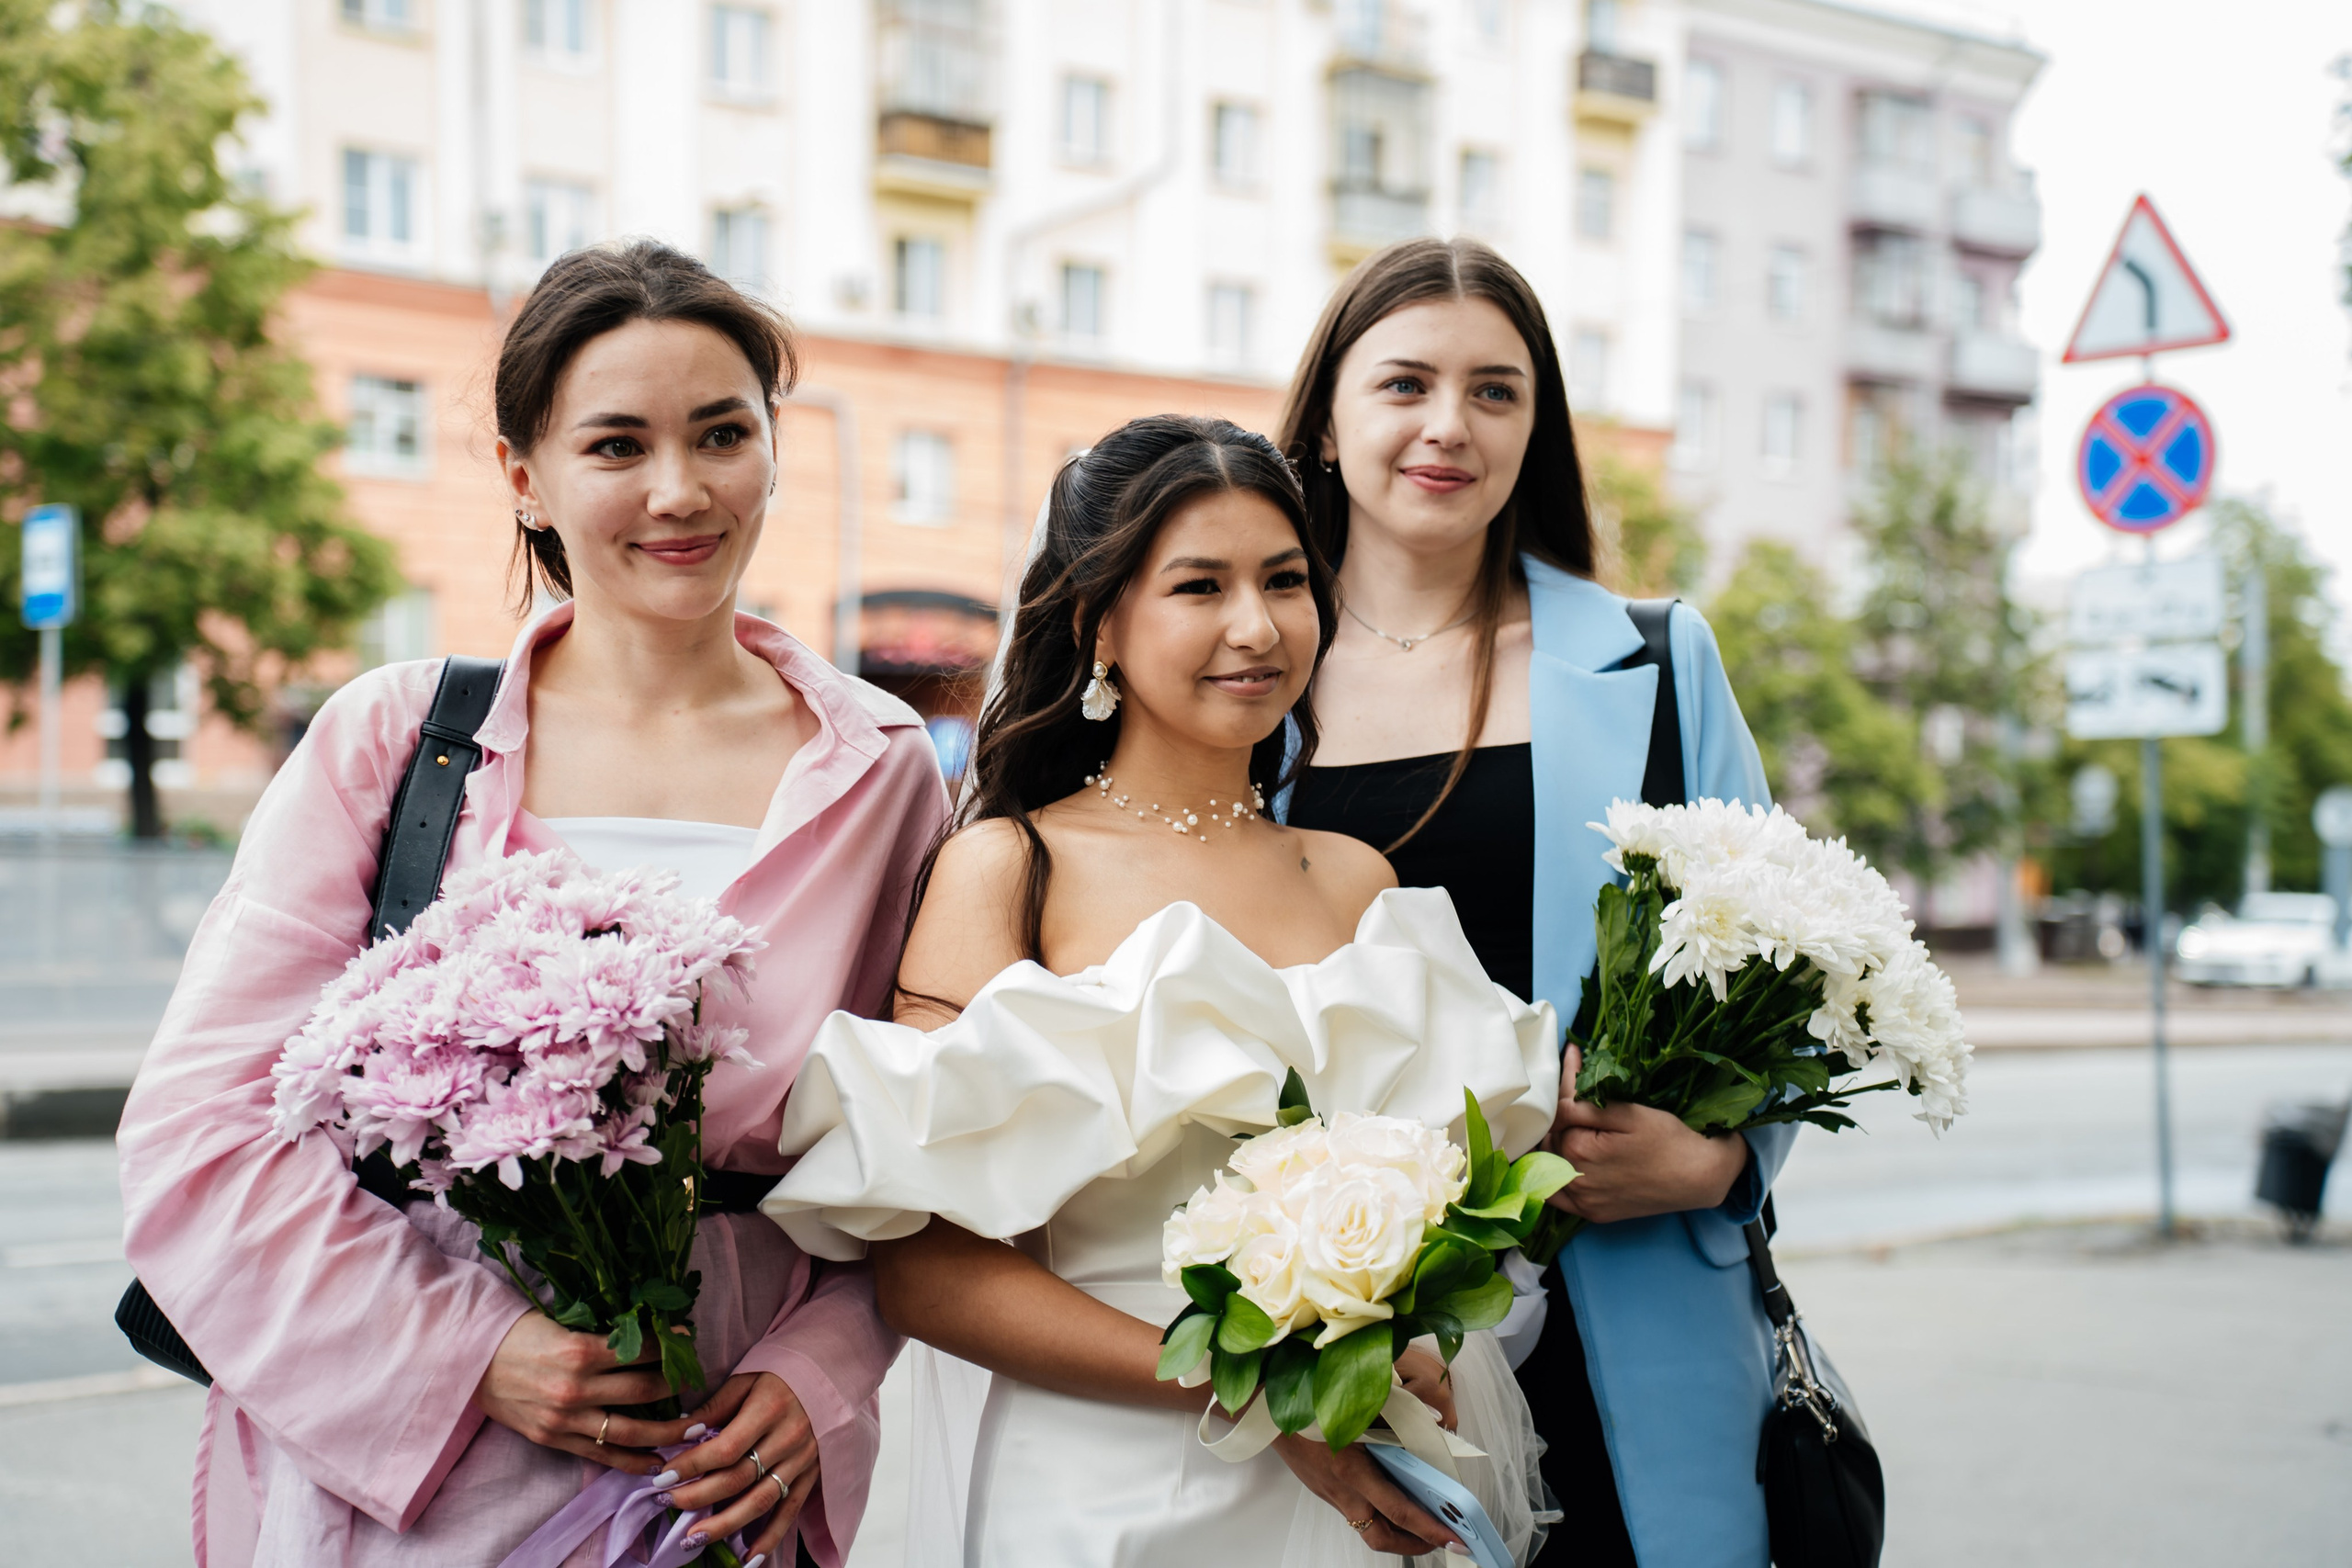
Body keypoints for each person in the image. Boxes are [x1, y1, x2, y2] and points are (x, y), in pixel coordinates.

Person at [116, 241, 945, 1568]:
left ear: (774, 450)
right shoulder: (396, 739)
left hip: (719, 1471)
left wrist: (817, 1372)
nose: (680, 490)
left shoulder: (883, 770)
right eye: (616, 445)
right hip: (421, 1490)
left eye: (722, 433)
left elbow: (929, 1151)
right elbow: (203, 1127)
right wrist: (471, 1351)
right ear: (525, 476)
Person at [761, 415, 1559, 1566]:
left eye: (1285, 580)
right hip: (1107, 1494)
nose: (1256, 625)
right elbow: (930, 1272)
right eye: (1199, 585)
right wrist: (1257, 1395)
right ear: (1099, 624)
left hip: (1365, 1489)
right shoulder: (1008, 870)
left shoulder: (1357, 882)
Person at [1277, 237, 1785, 1566]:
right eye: (1405, 384)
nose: (1450, 424)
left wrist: (1724, 1160)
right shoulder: (1236, 664)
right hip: (1326, 1330)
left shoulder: (1662, 660)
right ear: (1328, 419)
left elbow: (1795, 962)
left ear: (1536, 428)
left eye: (1497, 391)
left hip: (1615, 1300)